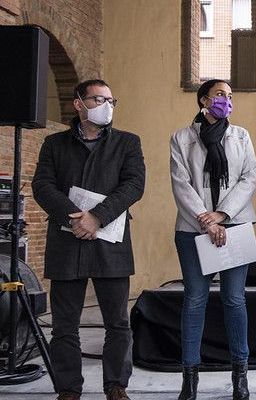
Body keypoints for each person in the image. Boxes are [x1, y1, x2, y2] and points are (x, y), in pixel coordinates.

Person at [32, 79, 146, 400]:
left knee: (118, 323)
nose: (107, 106)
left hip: (110, 241)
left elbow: (134, 184)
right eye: (98, 99)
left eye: (111, 100)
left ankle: (115, 386)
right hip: (67, 241)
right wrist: (74, 216)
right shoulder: (54, 144)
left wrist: (97, 217)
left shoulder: (127, 143)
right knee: (64, 325)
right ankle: (68, 389)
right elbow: (42, 185)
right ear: (79, 103)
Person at [169, 79, 256, 400]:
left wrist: (221, 215)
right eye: (220, 94)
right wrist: (205, 220)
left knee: (235, 300)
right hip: (193, 229)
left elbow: (249, 178)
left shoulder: (241, 135)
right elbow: (180, 183)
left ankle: (240, 377)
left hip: (233, 226)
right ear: (203, 100)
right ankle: (189, 380)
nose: (226, 100)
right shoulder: (182, 138)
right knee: (194, 301)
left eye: (230, 95)